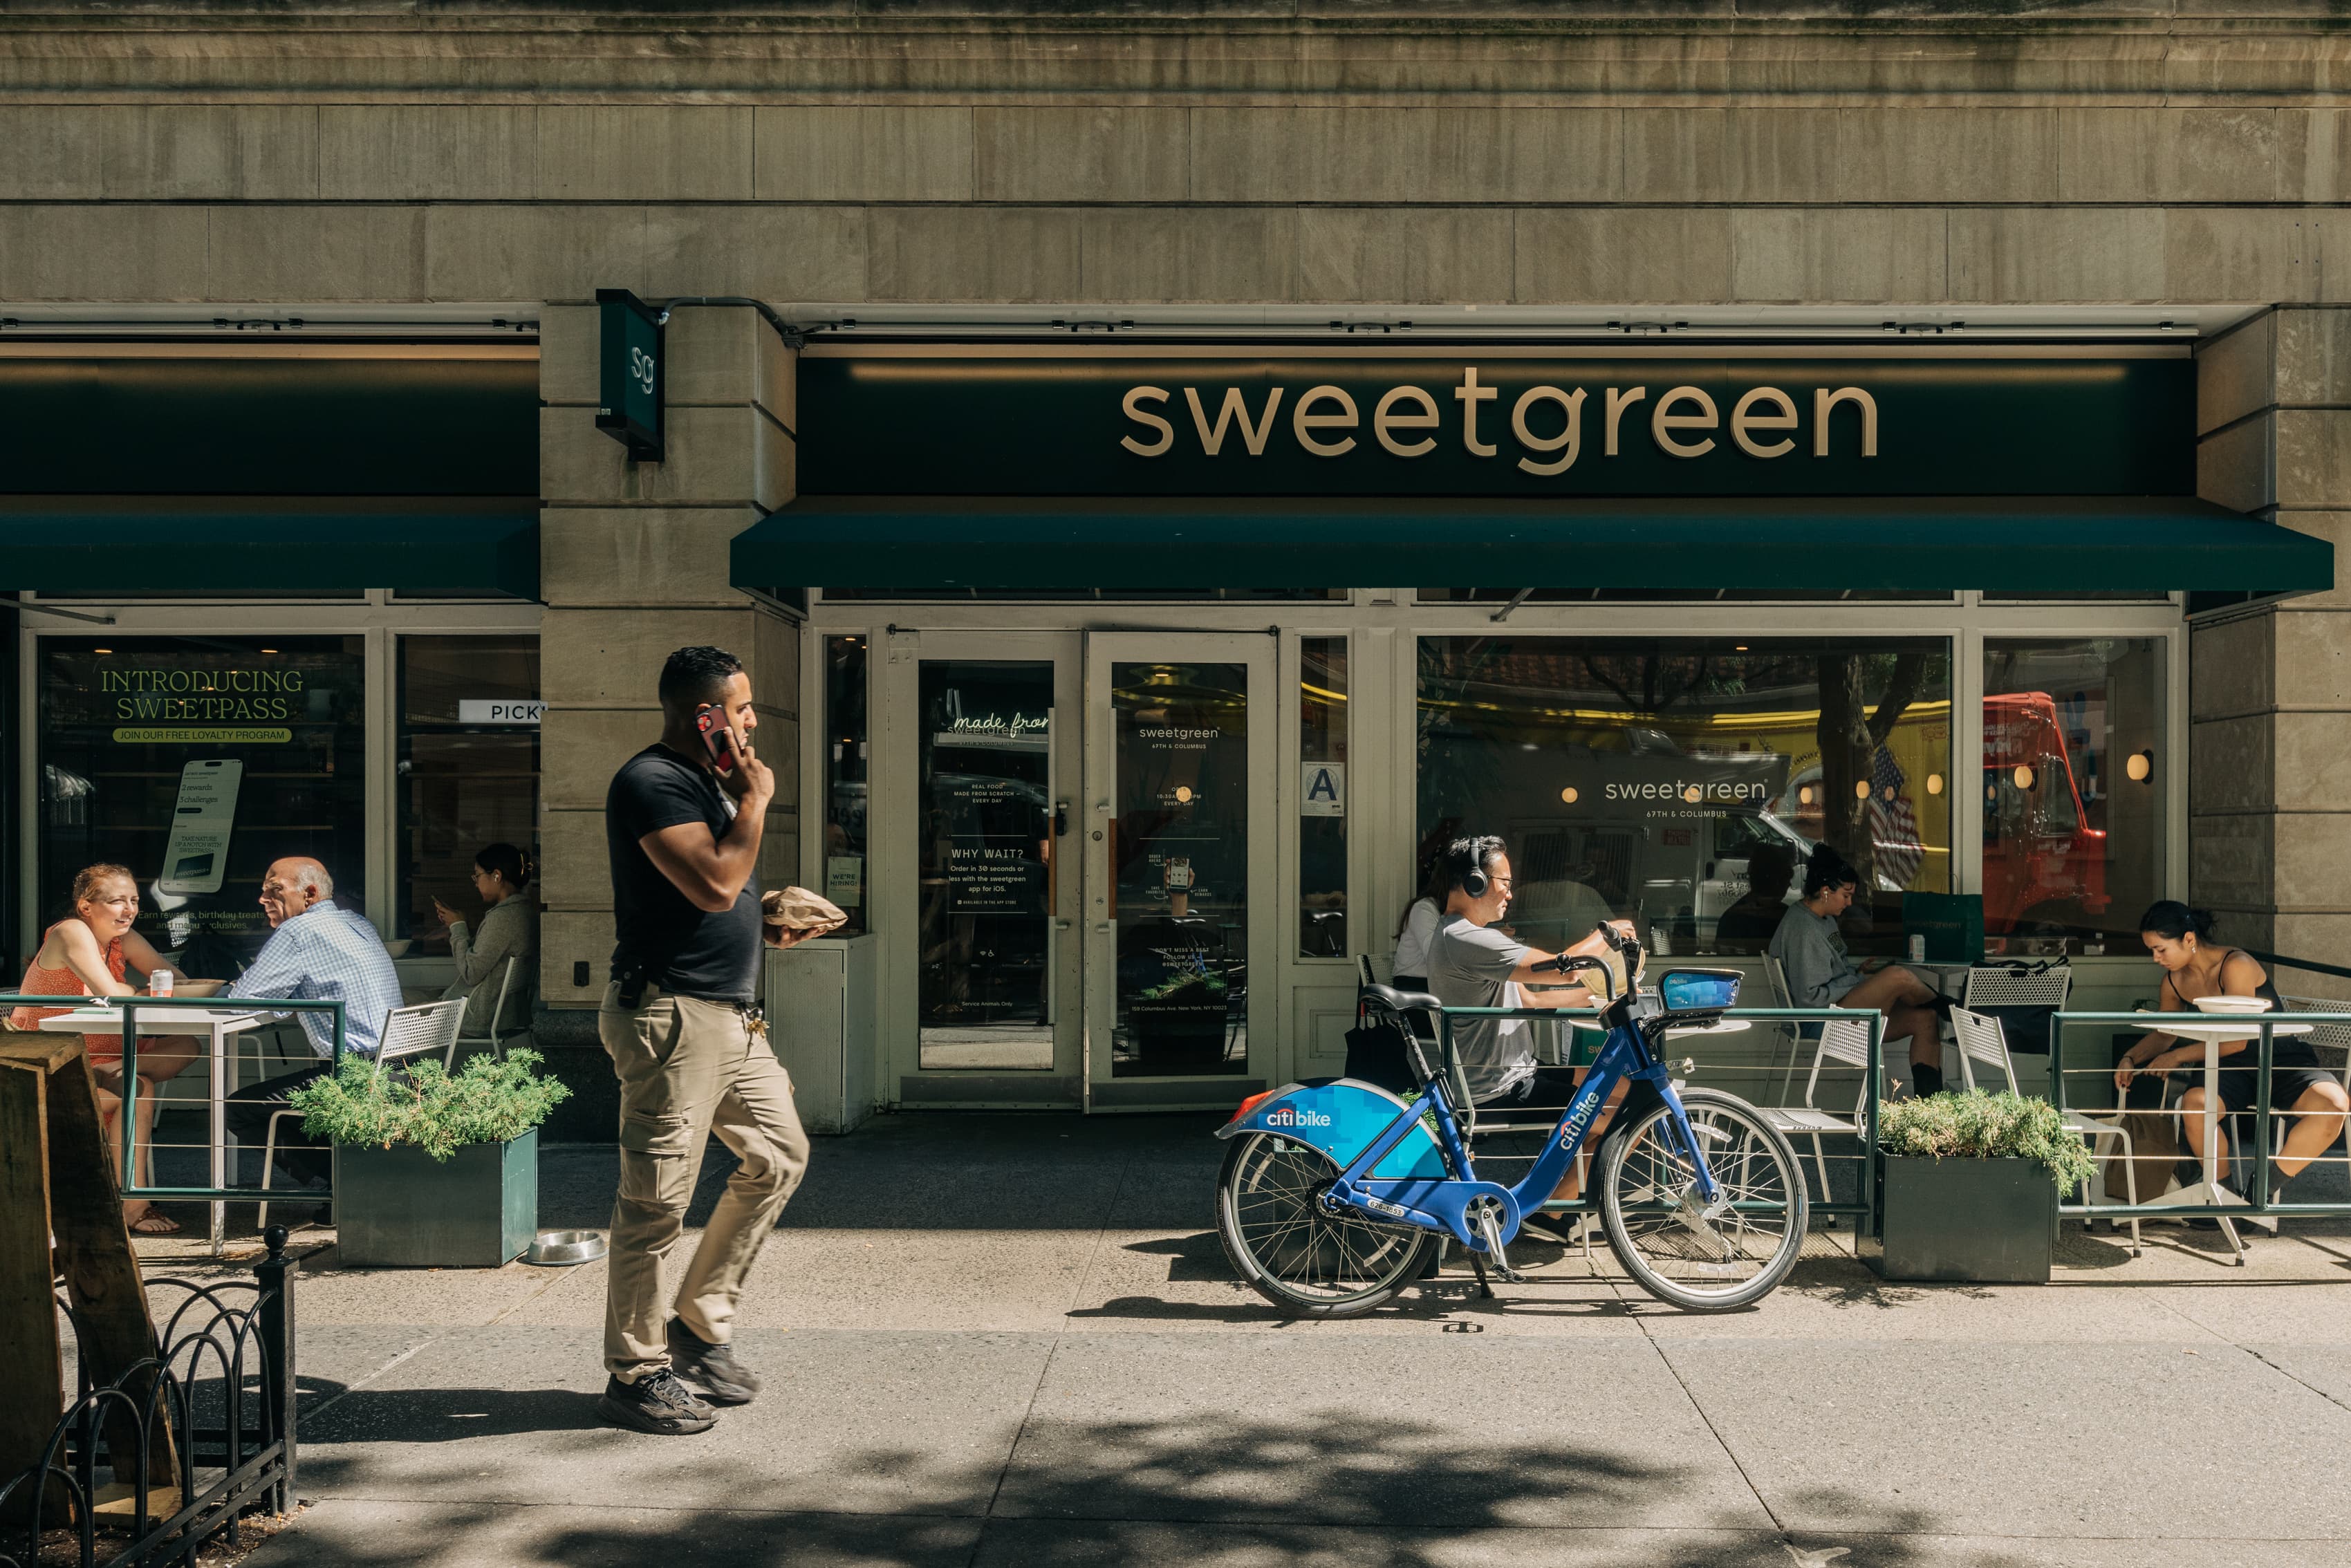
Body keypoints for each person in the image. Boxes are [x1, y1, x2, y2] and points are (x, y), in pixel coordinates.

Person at [597, 645, 811, 1437]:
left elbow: (720, 897)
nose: (754, 722)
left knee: (780, 1155)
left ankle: (696, 1325)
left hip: (731, 1015)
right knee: (655, 1203)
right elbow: (715, 882)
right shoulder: (651, 781)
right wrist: (755, 800)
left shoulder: (705, 786)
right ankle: (636, 1373)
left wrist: (769, 924)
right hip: (671, 1018)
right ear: (707, 715)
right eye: (744, 707)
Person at [1424, 834, 1630, 1242]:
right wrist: (1605, 936)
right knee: (1627, 1113)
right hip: (1500, 1088)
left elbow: (1533, 999)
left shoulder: (1465, 936)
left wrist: (1603, 996)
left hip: (1517, 1076)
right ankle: (1549, 1207)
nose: (1510, 894)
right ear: (1475, 883)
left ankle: (1554, 1200)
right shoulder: (1465, 937)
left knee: (1622, 1091)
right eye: (1505, 882)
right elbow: (1563, 969)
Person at [12, 864, 203, 1234]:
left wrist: (153, 992)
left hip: (102, 1055)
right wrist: (144, 992)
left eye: (133, 900)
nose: (128, 909)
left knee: (187, 1044)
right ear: (86, 906)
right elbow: (111, 994)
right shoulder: (70, 932)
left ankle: (112, 1067)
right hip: (51, 1064)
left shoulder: (122, 940)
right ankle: (135, 1205)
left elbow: (179, 984)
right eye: (117, 901)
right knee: (139, 1088)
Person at [2114, 902, 2348, 1203]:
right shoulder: (2173, 981)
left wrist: (2178, 1057)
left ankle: (2260, 1190)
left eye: (2161, 949)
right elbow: (2164, 1034)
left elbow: (2239, 1039)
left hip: (2279, 1058)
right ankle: (2224, 1199)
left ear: (2188, 939)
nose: (2156, 958)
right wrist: (2131, 1058)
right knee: (2194, 1105)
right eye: (2152, 950)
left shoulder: (2235, 964)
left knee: (2335, 1105)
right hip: (2227, 1068)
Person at [221, 857, 405, 1202]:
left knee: (239, 1108)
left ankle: (345, 1184)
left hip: (353, 1075)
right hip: (399, 1068)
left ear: (309, 893)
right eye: (262, 890)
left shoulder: (298, 932)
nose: (263, 898)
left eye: (274, 889)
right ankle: (353, 1176)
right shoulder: (357, 923)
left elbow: (242, 1001)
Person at [1767, 846, 1945, 1096]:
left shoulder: (1823, 919)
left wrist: (1856, 975)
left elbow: (1830, 972)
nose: (1850, 902)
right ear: (1826, 891)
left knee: (1925, 1019)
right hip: (1819, 1020)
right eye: (1846, 895)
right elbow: (1810, 997)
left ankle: (1932, 1111)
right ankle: (1947, 1006)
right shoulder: (1803, 930)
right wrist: (1855, 982)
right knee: (1898, 976)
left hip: (1835, 1009)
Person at [432, 842, 538, 1038]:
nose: (476, 882)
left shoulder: (503, 918)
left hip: (479, 1018)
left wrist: (458, 928)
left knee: (403, 1002)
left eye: (478, 875)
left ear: (496, 876)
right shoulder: (525, 912)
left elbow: (471, 973)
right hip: (508, 1015)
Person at [1713, 842, 1796, 954]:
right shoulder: (1788, 919)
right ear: (1776, 881)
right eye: (1786, 879)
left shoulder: (1731, 919)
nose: (1788, 886)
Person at [1389, 857, 1453, 991]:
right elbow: (1435, 958)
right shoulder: (1423, 909)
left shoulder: (1445, 912)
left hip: (1433, 985)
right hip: (1413, 989)